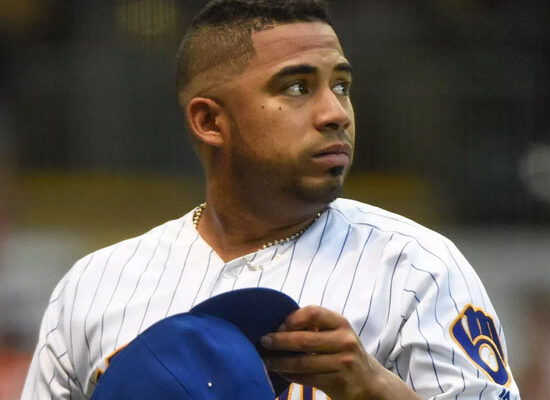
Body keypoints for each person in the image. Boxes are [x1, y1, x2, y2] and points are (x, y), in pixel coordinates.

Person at [21, 1, 519, 399]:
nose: (336, 113)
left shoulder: (415, 268)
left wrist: (374, 388)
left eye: (341, 85)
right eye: (298, 87)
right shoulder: (93, 285)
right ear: (209, 121)